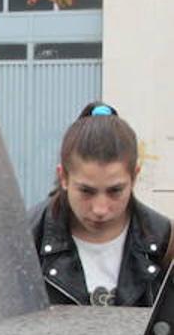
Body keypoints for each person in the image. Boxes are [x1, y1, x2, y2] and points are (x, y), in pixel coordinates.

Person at [29, 102, 170, 306]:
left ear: (135, 177)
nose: (100, 209)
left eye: (115, 191)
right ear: (64, 178)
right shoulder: (25, 243)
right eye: (86, 191)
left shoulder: (166, 243)